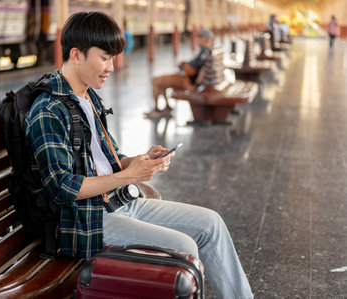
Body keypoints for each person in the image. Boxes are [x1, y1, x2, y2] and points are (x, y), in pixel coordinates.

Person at [24, 12, 253, 299]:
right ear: (76, 54)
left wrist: (136, 161)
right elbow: (62, 187)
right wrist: (129, 175)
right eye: (105, 58)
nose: (111, 67)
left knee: (212, 224)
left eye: (113, 59)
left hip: (119, 202)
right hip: (86, 221)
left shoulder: (87, 96)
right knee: (185, 248)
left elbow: (105, 159)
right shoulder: (48, 109)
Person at [144, 28, 213, 119]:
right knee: (160, 82)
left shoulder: (204, 52)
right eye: (198, 37)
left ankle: (157, 109)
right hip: (185, 78)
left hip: (185, 80)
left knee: (156, 81)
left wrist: (183, 67)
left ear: (207, 39)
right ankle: (167, 106)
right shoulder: (205, 51)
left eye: (201, 37)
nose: (198, 39)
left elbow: (191, 70)